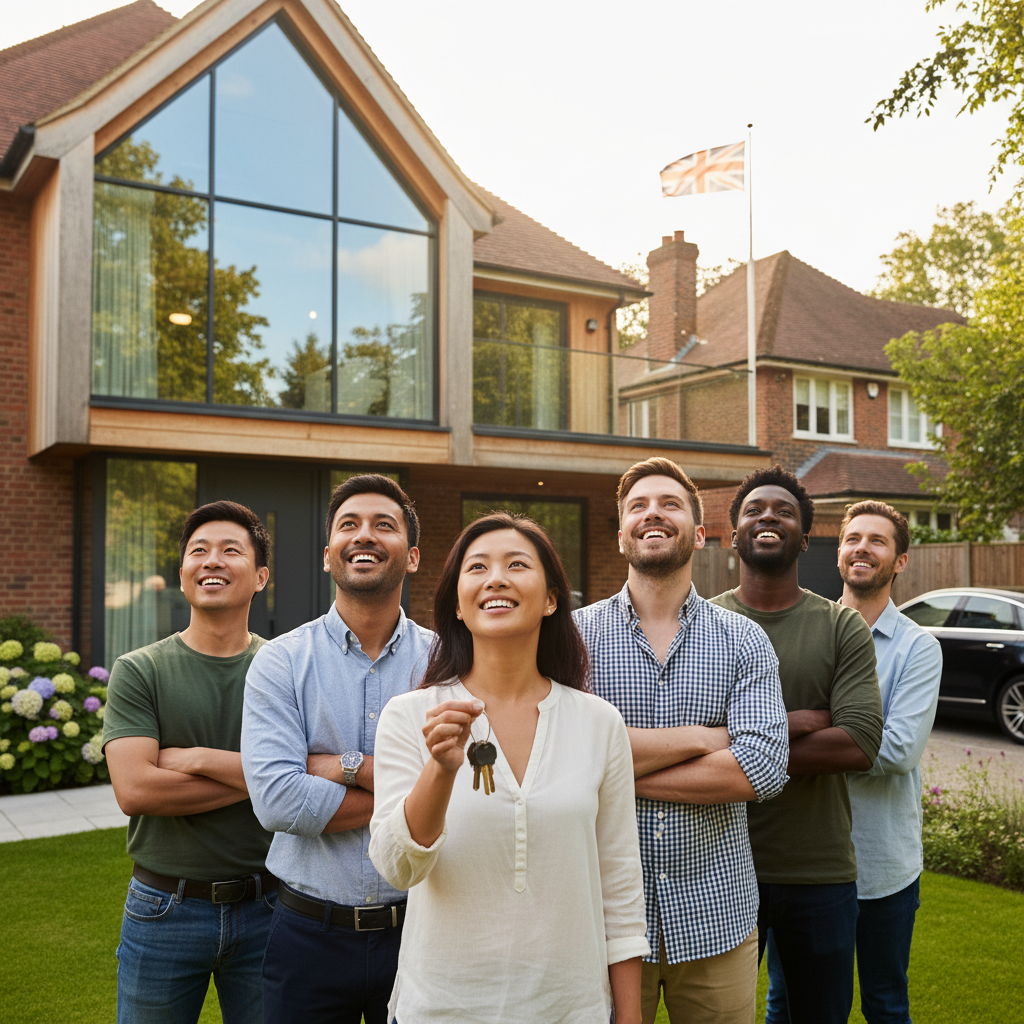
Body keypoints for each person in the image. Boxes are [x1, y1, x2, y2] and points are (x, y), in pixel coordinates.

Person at [369, 512, 649, 1024]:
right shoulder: (410, 716)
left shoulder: (599, 722)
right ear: (457, 602)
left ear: (550, 599)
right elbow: (398, 867)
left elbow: (621, 891)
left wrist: (628, 1019)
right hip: (442, 1007)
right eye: (477, 567)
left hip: (570, 1008)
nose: (495, 577)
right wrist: (440, 768)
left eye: (516, 564)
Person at [572, 456, 789, 1024]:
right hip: (602, 919)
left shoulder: (744, 639)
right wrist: (704, 739)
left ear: (698, 534)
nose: (653, 514)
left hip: (718, 916)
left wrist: (612, 766)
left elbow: (761, 768)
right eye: (638, 506)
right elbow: (559, 756)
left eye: (670, 503)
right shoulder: (572, 641)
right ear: (621, 535)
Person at [241, 474, 432, 1024]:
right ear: (328, 556)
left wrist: (337, 766)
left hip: (422, 932)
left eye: (383, 526)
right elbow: (278, 802)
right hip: (308, 939)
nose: (364, 536)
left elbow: (470, 788)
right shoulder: (280, 662)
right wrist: (417, 792)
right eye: (349, 525)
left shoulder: (447, 664)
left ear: (412, 557)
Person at [711, 466, 884, 1024]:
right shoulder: (703, 625)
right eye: (754, 510)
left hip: (820, 870)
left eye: (783, 511)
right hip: (718, 863)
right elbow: (670, 737)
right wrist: (797, 723)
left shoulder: (841, 626)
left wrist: (732, 746)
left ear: (805, 539)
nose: (768, 516)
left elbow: (858, 744)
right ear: (732, 533)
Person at [764, 500, 942, 1024]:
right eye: (852, 538)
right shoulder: (807, 629)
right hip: (803, 860)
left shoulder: (917, 648)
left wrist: (804, 738)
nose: (862, 548)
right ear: (838, 551)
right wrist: (816, 731)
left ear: (900, 561)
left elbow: (897, 750)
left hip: (878, 863)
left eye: (878, 541)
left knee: (885, 1002)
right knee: (786, 1002)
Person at [104, 500, 275, 1024]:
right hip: (163, 909)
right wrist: (266, 777)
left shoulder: (285, 669)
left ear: (260, 576)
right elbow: (136, 791)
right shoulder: (139, 671)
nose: (212, 561)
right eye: (198, 551)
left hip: (268, 907)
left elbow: (307, 776)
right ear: (182, 576)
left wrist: (197, 759)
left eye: (230, 550)